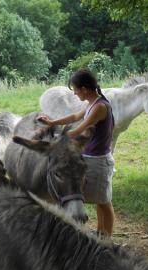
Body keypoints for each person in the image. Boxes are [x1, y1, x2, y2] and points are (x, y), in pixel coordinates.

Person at [37, 69, 115, 236]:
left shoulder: (100, 107)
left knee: (104, 202)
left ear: (84, 89)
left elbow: (80, 129)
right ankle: (100, 232)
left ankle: (106, 238)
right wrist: (52, 122)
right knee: (98, 201)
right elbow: (74, 117)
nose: (75, 93)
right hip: (89, 158)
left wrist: (57, 139)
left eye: (75, 90)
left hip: (100, 161)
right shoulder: (92, 104)